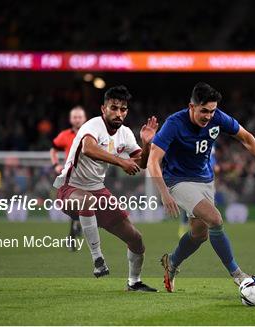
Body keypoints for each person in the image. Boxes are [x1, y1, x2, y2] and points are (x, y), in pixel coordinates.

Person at [147, 82, 255, 292]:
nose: (208, 116)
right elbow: (153, 160)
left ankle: (172, 263)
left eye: (212, 111)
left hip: (205, 180)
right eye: (204, 111)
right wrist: (164, 192)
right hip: (178, 181)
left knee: (199, 235)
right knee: (215, 219)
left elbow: (246, 137)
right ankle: (238, 275)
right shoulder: (174, 123)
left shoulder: (218, 117)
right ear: (191, 107)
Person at [53, 85, 158, 291]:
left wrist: (146, 144)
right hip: (69, 188)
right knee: (87, 200)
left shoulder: (125, 133)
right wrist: (121, 161)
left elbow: (142, 163)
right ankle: (98, 259)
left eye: (123, 109)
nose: (119, 113)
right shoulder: (92, 126)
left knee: (136, 239)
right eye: (114, 108)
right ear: (103, 109)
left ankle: (134, 282)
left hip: (98, 190)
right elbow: (89, 149)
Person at [50, 106, 88, 251]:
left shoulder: (91, 134)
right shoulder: (65, 135)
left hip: (89, 175)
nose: (77, 119)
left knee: (83, 206)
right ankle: (73, 233)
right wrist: (55, 165)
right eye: (75, 117)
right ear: (70, 119)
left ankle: (74, 230)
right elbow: (53, 149)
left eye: (80, 117)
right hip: (71, 176)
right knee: (75, 205)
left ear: (84, 119)